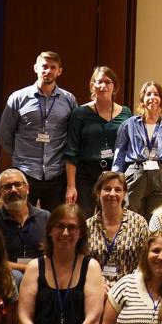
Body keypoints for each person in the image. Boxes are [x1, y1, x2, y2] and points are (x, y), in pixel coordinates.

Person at [0, 51, 79, 210]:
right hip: (25, 172)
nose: (48, 71)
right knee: (20, 218)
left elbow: (73, 136)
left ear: (59, 71)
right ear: (36, 68)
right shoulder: (18, 98)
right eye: (44, 66)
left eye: (53, 67)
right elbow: (5, 135)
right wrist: (20, 154)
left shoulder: (69, 100)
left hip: (56, 173)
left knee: (55, 221)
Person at [65, 66, 132, 219]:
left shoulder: (126, 113)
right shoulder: (80, 113)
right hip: (86, 176)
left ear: (114, 86)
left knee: (114, 219)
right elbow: (71, 151)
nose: (103, 86)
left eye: (108, 82)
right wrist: (71, 186)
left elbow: (129, 147)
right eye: (99, 82)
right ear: (92, 85)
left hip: (114, 174)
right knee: (85, 220)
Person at [112, 81, 162, 216]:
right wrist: (115, 181)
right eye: (148, 94)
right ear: (142, 99)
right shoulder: (129, 125)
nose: (152, 97)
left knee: (158, 217)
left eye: (156, 94)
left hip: (161, 175)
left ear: (161, 99)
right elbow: (119, 156)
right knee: (130, 216)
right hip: (135, 173)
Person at [86, 171, 150, 287]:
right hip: (95, 287)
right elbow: (82, 264)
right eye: (107, 189)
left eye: (118, 190)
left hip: (131, 288)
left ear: (124, 193)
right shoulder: (87, 226)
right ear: (98, 192)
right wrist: (97, 283)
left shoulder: (139, 223)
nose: (112, 193)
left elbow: (145, 263)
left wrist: (125, 287)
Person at [0, 169, 51, 285]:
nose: (13, 190)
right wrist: (28, 268)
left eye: (17, 184)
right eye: (7, 187)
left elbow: (55, 253)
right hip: (8, 279)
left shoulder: (46, 217)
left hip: (44, 275)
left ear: (28, 188)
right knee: (16, 276)